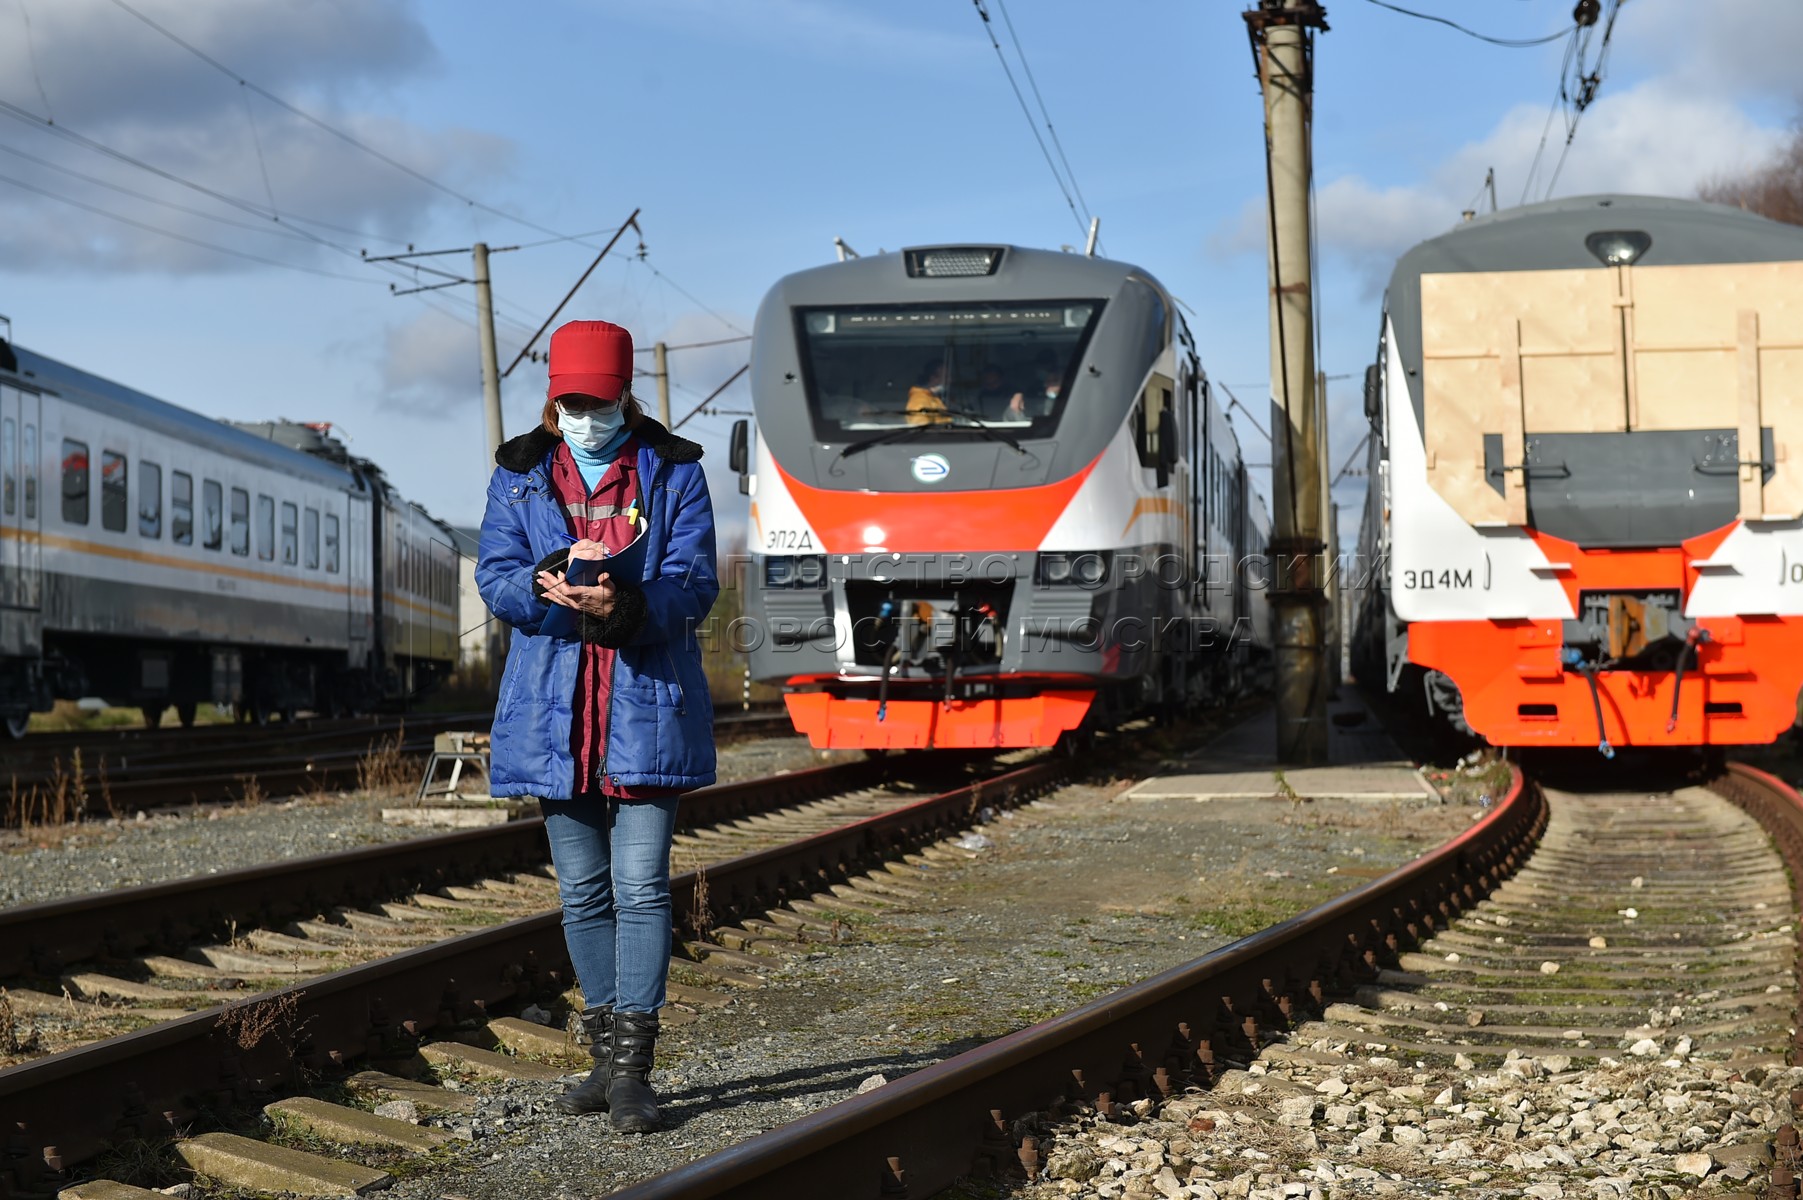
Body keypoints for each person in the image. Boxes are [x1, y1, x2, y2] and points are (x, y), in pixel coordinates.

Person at [476, 319, 719, 1133]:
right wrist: (539, 588)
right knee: (582, 892)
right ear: (552, 401)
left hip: (646, 705)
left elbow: (694, 582)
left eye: (596, 399)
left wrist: (630, 605)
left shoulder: (674, 472)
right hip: (552, 710)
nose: (582, 413)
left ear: (623, 396)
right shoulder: (516, 477)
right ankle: (604, 1060)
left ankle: (632, 1075)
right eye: (569, 401)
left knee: (641, 886)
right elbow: (494, 574)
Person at [905, 359, 951, 425]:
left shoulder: (933, 398)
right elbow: (921, 429)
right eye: (946, 377)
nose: (949, 380)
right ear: (933, 378)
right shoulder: (919, 400)